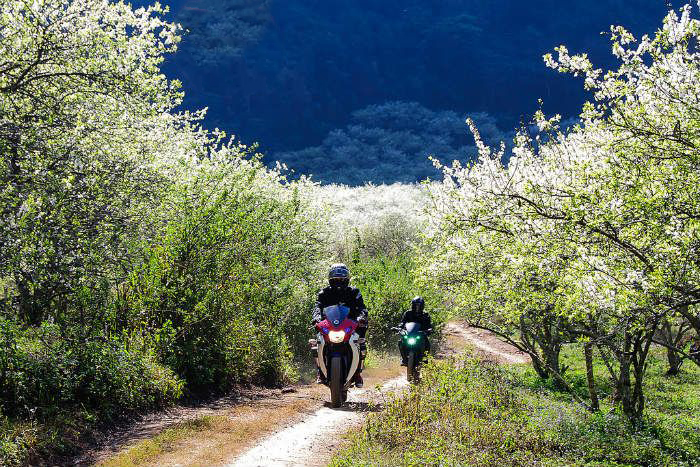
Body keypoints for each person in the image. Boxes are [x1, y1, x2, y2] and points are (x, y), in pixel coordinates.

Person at [312, 263, 368, 387]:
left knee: (361, 342)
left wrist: (361, 317)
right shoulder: (324, 293)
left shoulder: (354, 292)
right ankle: (320, 372)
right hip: (329, 325)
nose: (339, 282)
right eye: (335, 280)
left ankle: (357, 373)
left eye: (341, 280)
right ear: (330, 280)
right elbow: (318, 306)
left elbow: (362, 308)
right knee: (317, 342)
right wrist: (316, 318)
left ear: (347, 280)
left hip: (351, 324)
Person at [399, 296, 433, 366]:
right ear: (412, 305)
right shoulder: (408, 313)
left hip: (420, 334)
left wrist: (429, 330)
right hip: (409, 334)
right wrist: (399, 327)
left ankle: (425, 358)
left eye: (419, 305)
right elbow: (403, 322)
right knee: (400, 342)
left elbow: (429, 325)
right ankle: (404, 359)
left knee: (427, 342)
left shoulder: (425, 315)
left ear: (422, 306)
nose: (417, 307)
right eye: (415, 305)